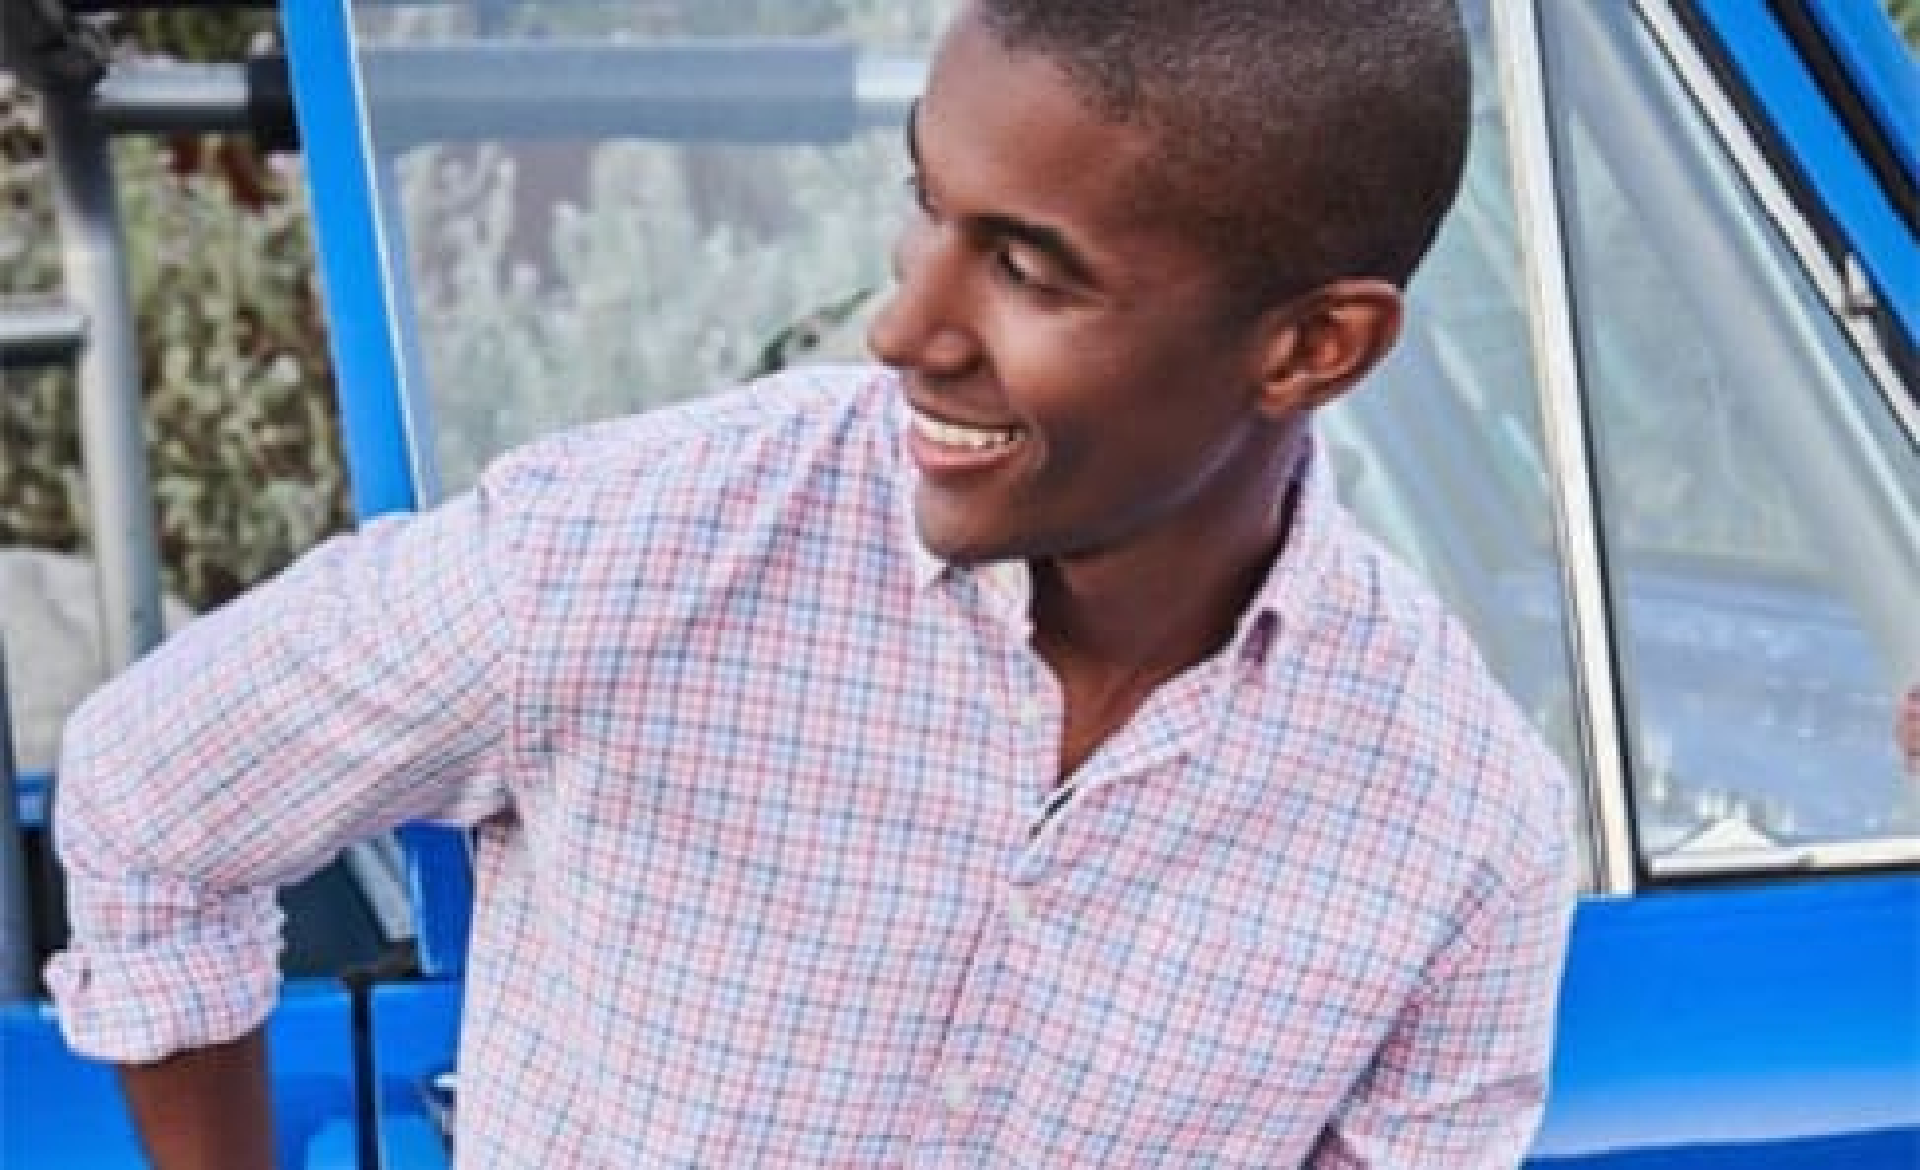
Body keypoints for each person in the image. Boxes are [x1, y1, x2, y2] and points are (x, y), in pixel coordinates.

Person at [49, 1, 1577, 1165]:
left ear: (1315, 348)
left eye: (1030, 269)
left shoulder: (1459, 824)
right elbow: (151, 793)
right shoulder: (630, 547)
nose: (907, 325)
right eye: (928, 204)